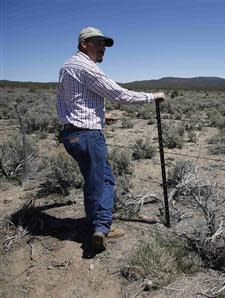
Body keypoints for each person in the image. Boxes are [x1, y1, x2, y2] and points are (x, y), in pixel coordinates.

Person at [56, 27, 165, 251]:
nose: (103, 47)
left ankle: (98, 225)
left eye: (104, 43)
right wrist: (151, 97)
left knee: (98, 179)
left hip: (71, 133)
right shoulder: (87, 67)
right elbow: (118, 94)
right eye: (98, 42)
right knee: (100, 183)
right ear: (84, 43)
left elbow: (71, 101)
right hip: (88, 135)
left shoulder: (67, 66)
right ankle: (99, 230)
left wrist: (101, 115)